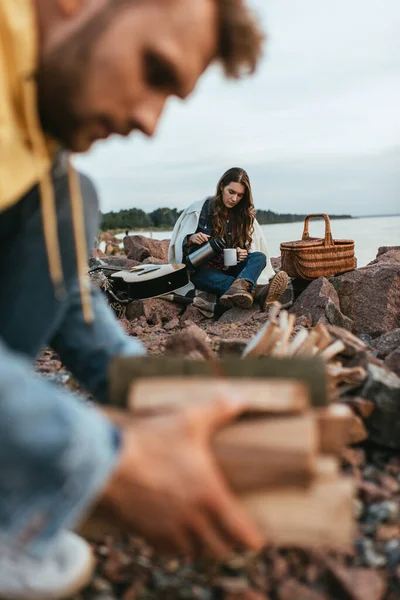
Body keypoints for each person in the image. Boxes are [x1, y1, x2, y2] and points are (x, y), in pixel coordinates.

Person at [0, 1, 265, 598]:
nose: (150, 121)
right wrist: (111, 459)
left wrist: (148, 392)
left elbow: (67, 297)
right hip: (203, 275)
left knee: (68, 196)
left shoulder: (33, 128)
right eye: (154, 70)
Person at [169, 168, 289, 310]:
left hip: (230, 267)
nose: (234, 199)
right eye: (231, 192)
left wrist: (240, 252)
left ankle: (241, 288)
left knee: (259, 257)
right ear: (222, 186)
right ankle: (258, 293)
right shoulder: (199, 210)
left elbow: (246, 246)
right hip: (204, 272)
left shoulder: (241, 215)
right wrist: (190, 239)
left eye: (239, 195)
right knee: (226, 281)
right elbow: (178, 250)